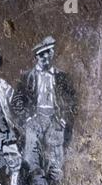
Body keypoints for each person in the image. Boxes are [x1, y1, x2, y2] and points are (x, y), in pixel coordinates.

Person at [11, 36, 77, 174]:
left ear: (52, 53)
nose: (45, 57)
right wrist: (28, 119)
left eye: (48, 52)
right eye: (41, 54)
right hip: (35, 120)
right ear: (36, 57)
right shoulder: (27, 76)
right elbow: (17, 102)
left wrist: (64, 119)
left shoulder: (61, 77)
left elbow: (72, 101)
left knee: (55, 161)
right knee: (31, 159)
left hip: (55, 119)